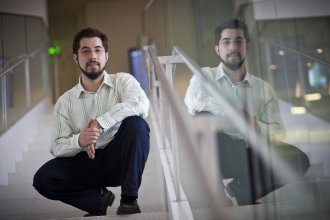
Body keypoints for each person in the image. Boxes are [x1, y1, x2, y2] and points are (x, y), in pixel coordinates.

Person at [184, 19, 310, 205]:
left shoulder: (263, 88)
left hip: (252, 153)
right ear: (217, 49)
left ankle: (242, 192)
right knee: (202, 118)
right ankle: (218, 196)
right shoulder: (205, 75)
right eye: (226, 42)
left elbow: (278, 131)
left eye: (238, 41)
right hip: (220, 152)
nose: (233, 47)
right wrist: (238, 119)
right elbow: (195, 102)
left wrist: (257, 128)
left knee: (299, 160)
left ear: (247, 46)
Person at [33, 28, 150, 216]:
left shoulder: (123, 81)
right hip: (86, 163)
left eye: (98, 50)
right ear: (75, 57)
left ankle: (129, 199)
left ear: (106, 55)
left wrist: (101, 123)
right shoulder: (65, 102)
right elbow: (56, 146)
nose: (92, 55)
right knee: (43, 178)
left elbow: (141, 103)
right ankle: (98, 200)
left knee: (136, 124)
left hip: (119, 158)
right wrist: (80, 140)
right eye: (85, 51)